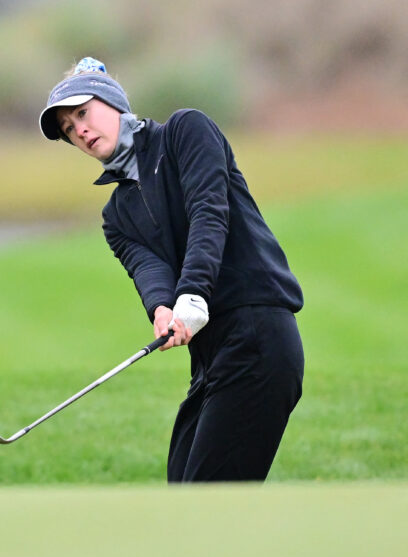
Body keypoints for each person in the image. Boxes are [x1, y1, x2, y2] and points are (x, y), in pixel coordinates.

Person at [39, 57, 304, 482]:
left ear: (113, 103)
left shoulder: (185, 132)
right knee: (182, 484)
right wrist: (162, 309)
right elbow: (148, 269)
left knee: (206, 497)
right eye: (69, 129)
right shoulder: (116, 216)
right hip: (210, 356)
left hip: (257, 331)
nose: (80, 131)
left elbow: (208, 212)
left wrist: (193, 292)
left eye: (83, 113)